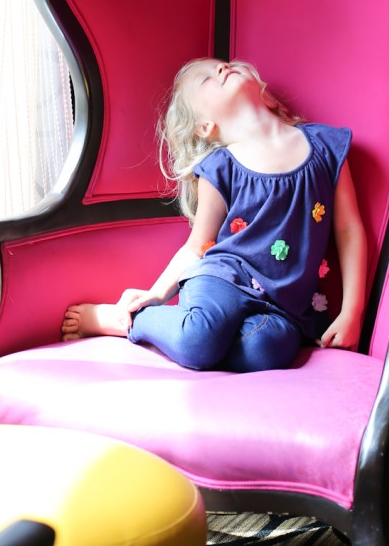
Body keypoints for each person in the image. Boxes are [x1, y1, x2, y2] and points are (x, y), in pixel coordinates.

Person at [61, 58, 368, 372]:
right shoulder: (222, 166)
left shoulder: (326, 145)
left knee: (268, 350)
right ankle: (129, 319)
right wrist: (155, 294)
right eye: (206, 79)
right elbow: (197, 246)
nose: (221, 69)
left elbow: (348, 230)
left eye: (225, 64)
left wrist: (352, 312)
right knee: (199, 339)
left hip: (282, 306)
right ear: (205, 127)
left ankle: (201, 340)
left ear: (265, 95)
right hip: (223, 279)